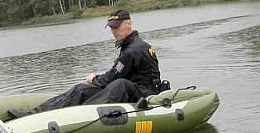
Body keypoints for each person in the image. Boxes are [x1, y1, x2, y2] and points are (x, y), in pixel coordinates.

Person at [8, 9, 164, 118]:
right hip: (133, 89)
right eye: (111, 28)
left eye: (117, 27)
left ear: (129, 23)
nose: (114, 31)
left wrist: (94, 78)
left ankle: (80, 116)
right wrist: (94, 81)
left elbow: (111, 77)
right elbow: (114, 74)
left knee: (119, 84)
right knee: (81, 89)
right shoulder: (131, 45)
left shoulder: (133, 50)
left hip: (145, 94)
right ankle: (35, 114)